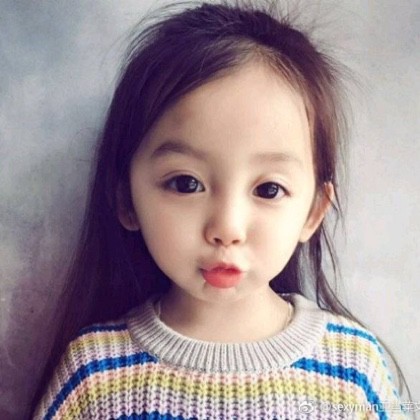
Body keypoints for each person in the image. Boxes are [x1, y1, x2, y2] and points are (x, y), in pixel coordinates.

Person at [30, 1, 411, 419]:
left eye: (268, 189)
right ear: (126, 200)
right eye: (186, 183)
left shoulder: (354, 371)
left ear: (312, 213)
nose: (227, 228)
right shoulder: (95, 374)